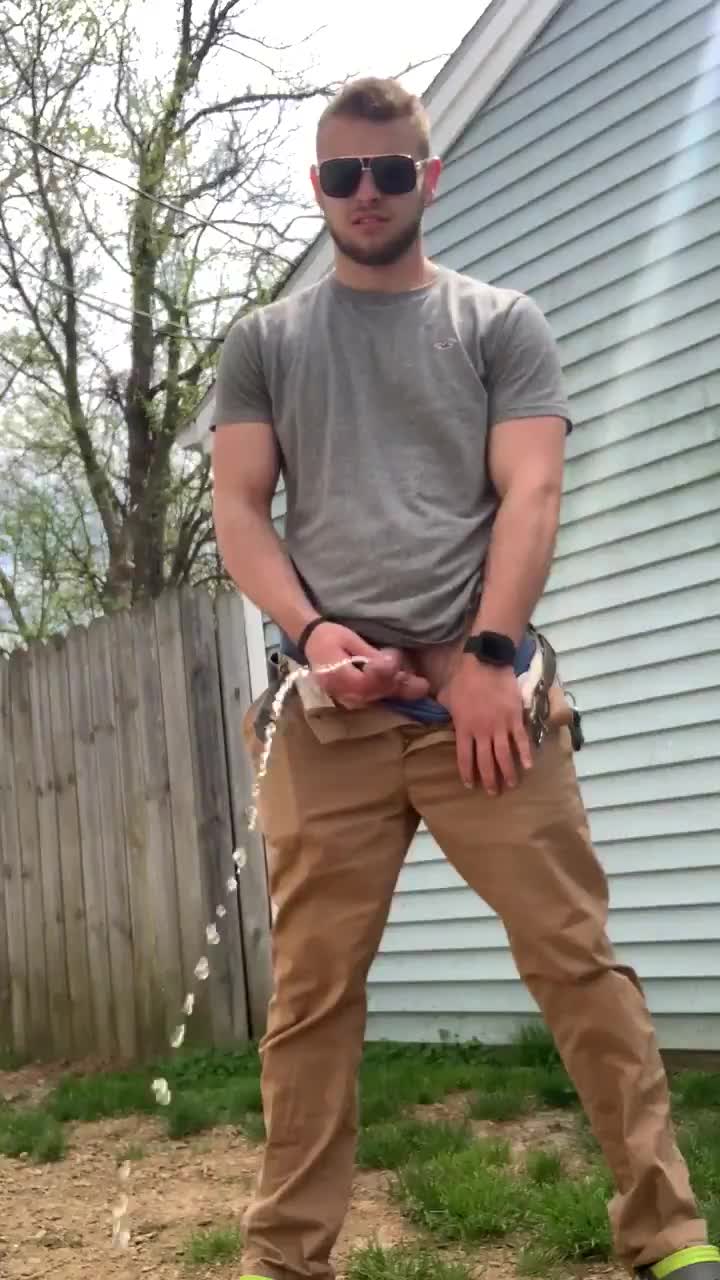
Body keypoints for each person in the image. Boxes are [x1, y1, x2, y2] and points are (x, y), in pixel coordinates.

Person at [210, 76, 719, 1280]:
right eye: (345, 174)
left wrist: (493, 654)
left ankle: (669, 1231)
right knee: (312, 996)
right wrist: (312, 636)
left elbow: (532, 489)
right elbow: (237, 504)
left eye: (391, 171)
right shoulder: (268, 343)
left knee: (575, 960)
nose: (368, 192)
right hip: (331, 716)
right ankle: (285, 1256)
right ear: (318, 185)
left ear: (427, 179)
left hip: (483, 702)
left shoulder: (500, 322)